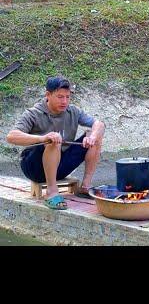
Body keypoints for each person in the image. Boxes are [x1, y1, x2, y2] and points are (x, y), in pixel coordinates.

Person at [5, 76, 105, 210]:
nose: (64, 101)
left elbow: (99, 124)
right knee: (53, 140)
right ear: (48, 95)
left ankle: (85, 187)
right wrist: (43, 138)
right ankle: (51, 192)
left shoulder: (73, 111)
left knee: (95, 136)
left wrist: (92, 137)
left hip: (59, 166)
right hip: (34, 168)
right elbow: (11, 136)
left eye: (67, 97)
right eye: (60, 97)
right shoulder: (34, 113)